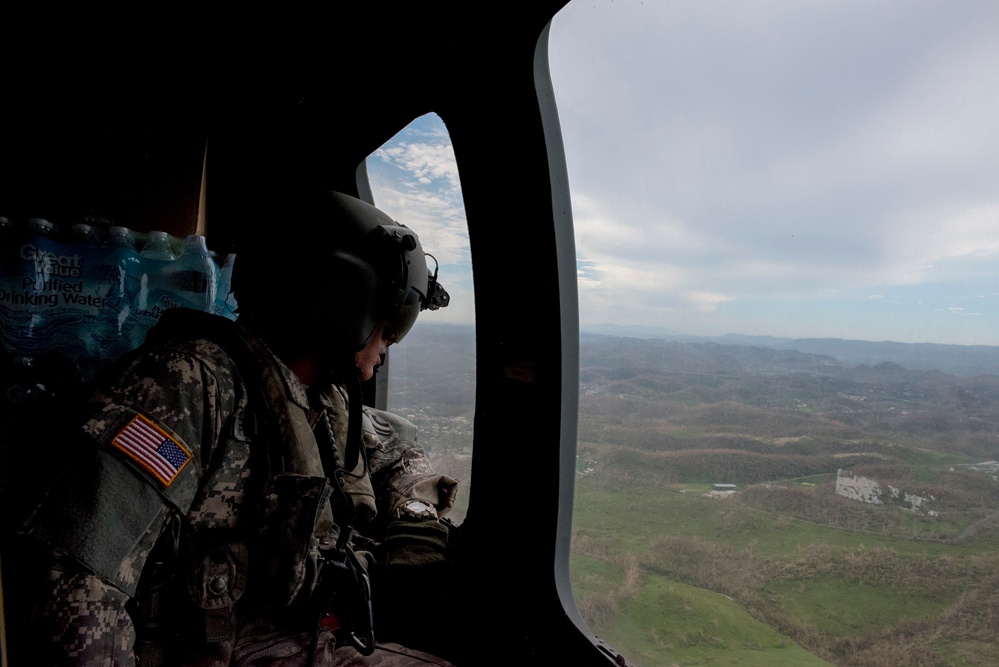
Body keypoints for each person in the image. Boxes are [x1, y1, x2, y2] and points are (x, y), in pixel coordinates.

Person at [3, 191, 460, 666]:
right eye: (391, 319)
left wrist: (413, 515)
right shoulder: (181, 387)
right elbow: (74, 585)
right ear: (342, 297)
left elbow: (395, 446)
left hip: (307, 637)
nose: (390, 340)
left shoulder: (317, 396)